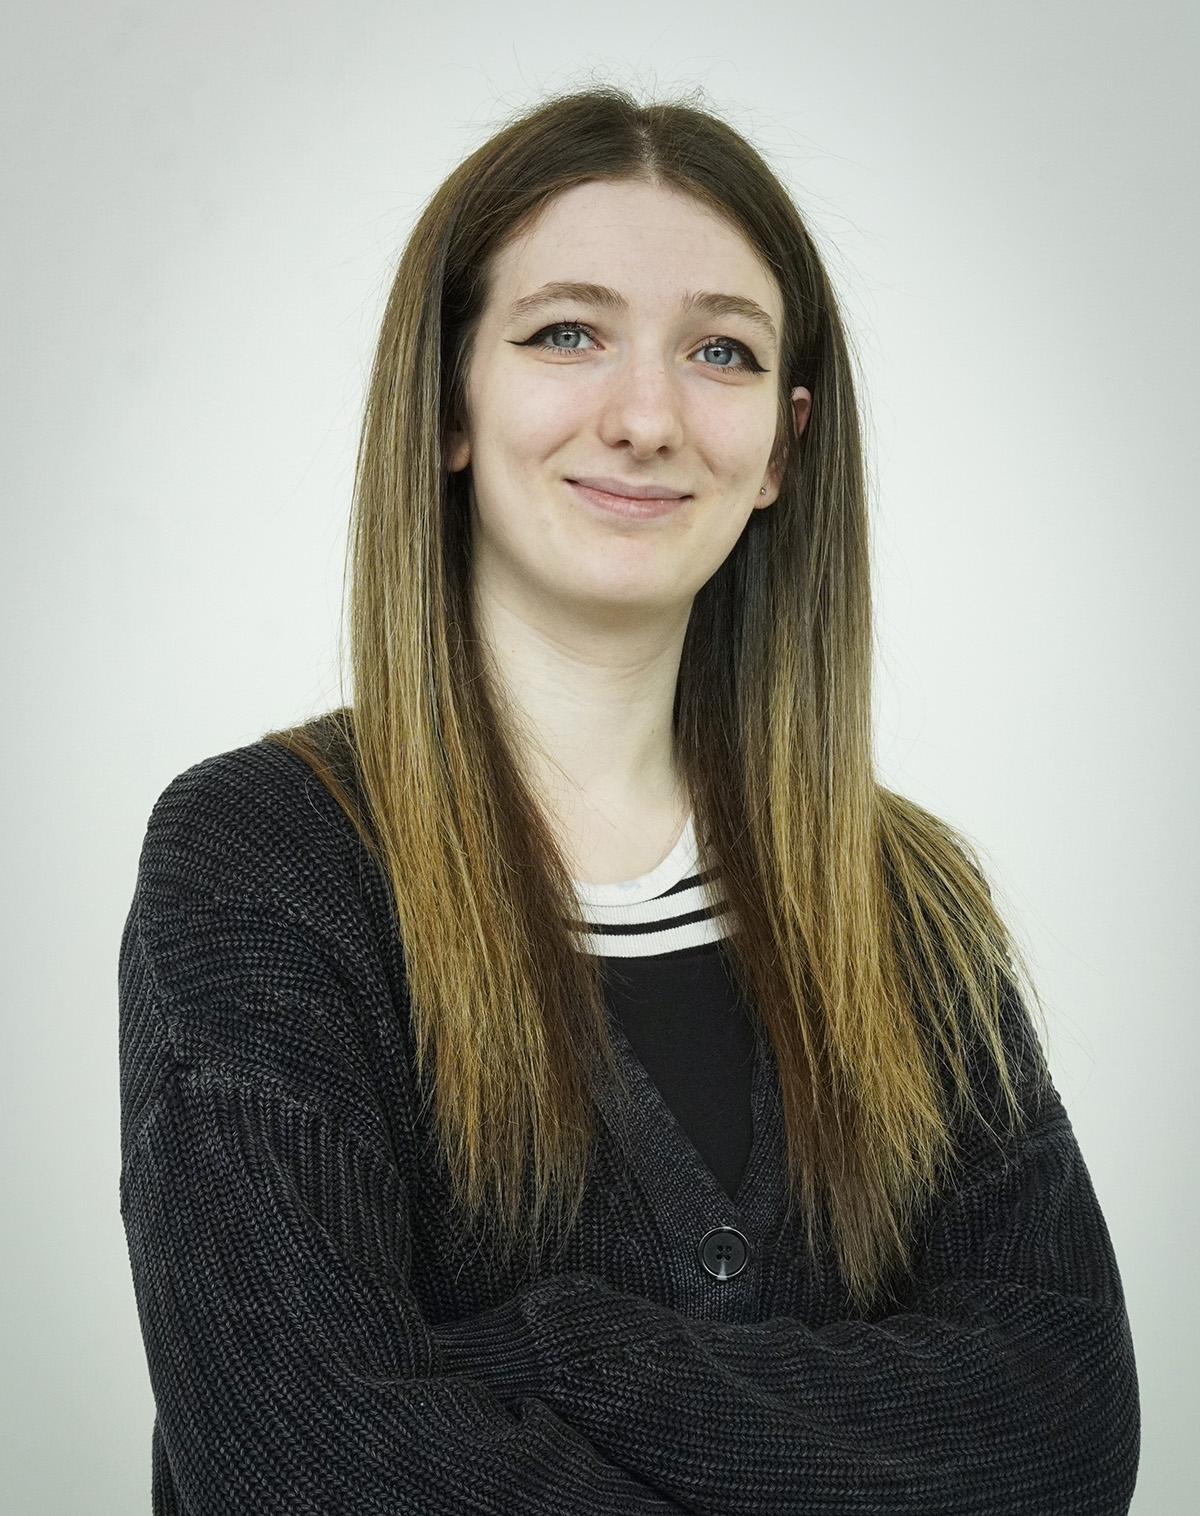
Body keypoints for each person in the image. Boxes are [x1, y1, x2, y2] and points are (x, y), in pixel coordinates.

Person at [117, 88, 1140, 1514]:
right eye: (566, 333)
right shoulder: (265, 860)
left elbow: (1066, 1423)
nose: (648, 415)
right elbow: (307, 1460)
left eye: (719, 350)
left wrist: (555, 1356)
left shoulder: (908, 904)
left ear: (782, 447)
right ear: (450, 405)